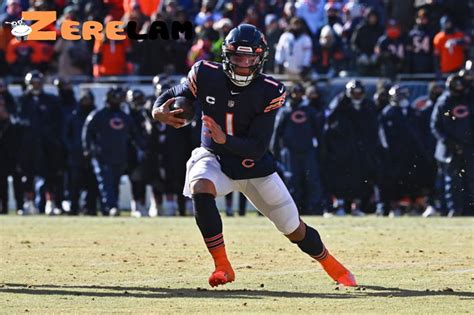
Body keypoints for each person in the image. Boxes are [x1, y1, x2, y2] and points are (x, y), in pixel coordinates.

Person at [152, 24, 356, 287]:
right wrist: (157, 110)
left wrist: (225, 138)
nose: (243, 64)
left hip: (253, 166)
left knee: (294, 229)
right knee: (199, 186)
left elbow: (258, 146)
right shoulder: (204, 72)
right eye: (238, 57)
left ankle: (332, 265)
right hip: (214, 157)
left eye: (250, 58)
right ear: (226, 55)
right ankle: (222, 266)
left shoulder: (271, 90)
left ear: (260, 59)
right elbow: (173, 94)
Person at [82, 87, 143, 216]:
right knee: (106, 182)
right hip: (102, 156)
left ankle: (110, 207)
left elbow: (135, 134)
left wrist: (142, 148)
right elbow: (87, 132)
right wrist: (88, 149)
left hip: (119, 156)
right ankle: (111, 206)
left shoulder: (124, 117)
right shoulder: (98, 114)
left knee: (114, 183)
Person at [322, 80, 378, 216]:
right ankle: (340, 205)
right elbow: (329, 121)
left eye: (359, 93)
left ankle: (356, 206)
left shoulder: (368, 105)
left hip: (361, 150)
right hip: (342, 150)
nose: (357, 96)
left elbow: (373, 127)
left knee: (360, 178)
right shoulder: (341, 104)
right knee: (340, 178)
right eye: (354, 93)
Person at [272, 83, 325, 215]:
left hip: (308, 151)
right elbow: (277, 133)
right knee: (292, 181)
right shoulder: (285, 111)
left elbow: (318, 132)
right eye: (295, 92)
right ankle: (293, 210)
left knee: (312, 180)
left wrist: (321, 150)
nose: (297, 95)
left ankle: (314, 208)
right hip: (290, 153)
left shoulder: (309, 111)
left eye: (300, 92)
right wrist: (275, 151)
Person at [431, 74, 474, 216]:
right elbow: (435, 126)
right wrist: (450, 143)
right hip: (450, 149)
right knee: (452, 180)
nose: (459, 88)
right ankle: (454, 210)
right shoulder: (443, 102)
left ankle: (469, 210)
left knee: (470, 178)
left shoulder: (469, 100)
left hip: (469, 147)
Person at [63, 89, 98, 215]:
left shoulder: (96, 115)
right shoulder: (74, 115)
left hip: (92, 155)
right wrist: (72, 148)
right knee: (74, 184)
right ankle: (73, 207)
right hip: (76, 155)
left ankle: (90, 208)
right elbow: (66, 135)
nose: (86, 102)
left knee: (92, 184)